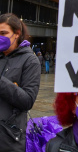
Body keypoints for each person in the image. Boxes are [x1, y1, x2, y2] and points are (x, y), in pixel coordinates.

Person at [0, 13, 41, 152]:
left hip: (9, 139)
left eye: (3, 33)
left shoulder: (30, 60)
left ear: (17, 34)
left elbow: (27, 100)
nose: (0, 37)